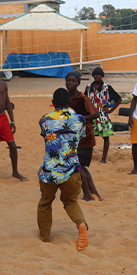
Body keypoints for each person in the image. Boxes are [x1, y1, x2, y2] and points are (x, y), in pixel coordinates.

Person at [37, 88, 89, 251]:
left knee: (45, 203)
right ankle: (81, 225)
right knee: (70, 201)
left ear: (53, 103)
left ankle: (44, 237)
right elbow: (81, 136)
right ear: (70, 102)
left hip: (49, 172)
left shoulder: (44, 120)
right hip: (72, 170)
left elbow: (45, 136)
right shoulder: (79, 119)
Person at [65, 71, 102, 201]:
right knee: (81, 167)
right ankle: (95, 193)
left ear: (78, 83)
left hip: (84, 138)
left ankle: (88, 195)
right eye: (68, 80)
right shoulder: (65, 98)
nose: (70, 83)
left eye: (73, 81)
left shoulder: (82, 98)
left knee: (78, 167)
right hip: (72, 139)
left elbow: (96, 114)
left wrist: (78, 118)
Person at [85, 67, 122, 163]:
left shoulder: (107, 87)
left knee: (105, 137)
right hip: (91, 116)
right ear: (93, 76)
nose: (97, 76)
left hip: (103, 116)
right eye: (95, 74)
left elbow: (118, 99)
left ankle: (104, 158)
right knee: (89, 137)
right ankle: (88, 156)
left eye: (99, 75)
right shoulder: (88, 87)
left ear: (102, 76)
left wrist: (110, 110)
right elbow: (85, 100)